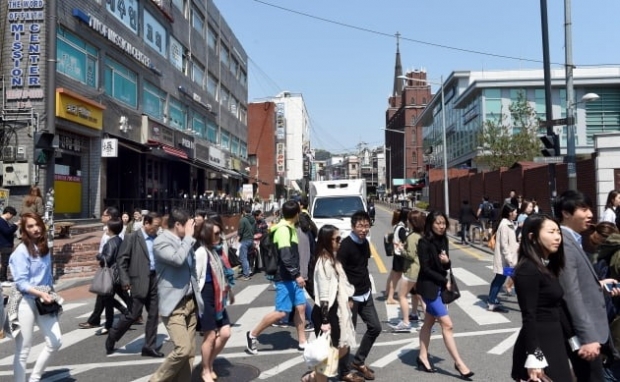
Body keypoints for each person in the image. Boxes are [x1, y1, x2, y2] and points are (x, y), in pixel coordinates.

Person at [555, 190, 615, 381]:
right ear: (566, 213)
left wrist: (598, 285)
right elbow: (570, 293)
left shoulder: (573, 239)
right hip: (584, 334)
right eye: (583, 209)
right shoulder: (564, 242)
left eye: (590, 208)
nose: (590, 214)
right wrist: (587, 337)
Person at [511, 214, 573, 382]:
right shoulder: (528, 269)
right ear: (532, 237)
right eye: (551, 232)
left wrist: (573, 339)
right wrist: (534, 356)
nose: (557, 237)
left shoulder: (546, 265)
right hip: (540, 341)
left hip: (554, 338)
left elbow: (557, 306)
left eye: (558, 232)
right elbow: (528, 315)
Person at [416, 210, 473, 378]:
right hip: (429, 289)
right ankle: (459, 363)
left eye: (443, 223)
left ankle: (423, 356)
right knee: (447, 325)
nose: (441, 226)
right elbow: (425, 269)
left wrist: (447, 262)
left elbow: (445, 266)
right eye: (438, 223)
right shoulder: (423, 243)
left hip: (439, 287)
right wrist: (443, 281)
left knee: (428, 323)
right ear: (430, 224)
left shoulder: (444, 240)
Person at [246, 200, 308, 354]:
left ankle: (303, 341)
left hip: (292, 276)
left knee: (301, 307)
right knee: (281, 312)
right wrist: (297, 275)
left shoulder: (289, 227)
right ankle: (252, 335)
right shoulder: (283, 230)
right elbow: (286, 256)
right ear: (296, 214)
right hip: (285, 276)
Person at [150, 208, 204, 382]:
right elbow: (177, 259)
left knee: (189, 354)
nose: (191, 228)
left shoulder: (185, 241)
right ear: (178, 224)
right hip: (174, 306)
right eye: (188, 224)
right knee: (182, 348)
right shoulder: (161, 242)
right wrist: (189, 237)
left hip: (189, 302)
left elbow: (192, 269)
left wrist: (198, 298)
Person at [303, 224, 360, 382]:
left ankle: (314, 376)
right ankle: (317, 376)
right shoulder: (323, 263)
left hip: (336, 310)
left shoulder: (332, 258)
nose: (340, 241)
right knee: (329, 355)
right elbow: (324, 295)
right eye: (337, 239)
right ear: (328, 241)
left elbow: (338, 286)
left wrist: (346, 299)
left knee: (342, 348)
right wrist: (326, 321)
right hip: (326, 313)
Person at [10, 212, 62, 382]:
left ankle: (35, 378)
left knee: (55, 342)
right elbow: (21, 283)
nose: (35, 229)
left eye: (37, 224)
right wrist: (41, 293)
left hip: (44, 299)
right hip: (25, 300)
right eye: (30, 226)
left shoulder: (44, 247)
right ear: (24, 230)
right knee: (23, 350)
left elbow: (47, 276)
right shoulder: (21, 251)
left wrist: (51, 294)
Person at [105, 212, 163, 357]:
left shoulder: (156, 238)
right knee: (133, 314)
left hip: (154, 279)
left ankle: (149, 346)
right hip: (137, 280)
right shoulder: (132, 238)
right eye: (155, 226)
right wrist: (125, 280)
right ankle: (113, 335)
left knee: (153, 314)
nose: (157, 229)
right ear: (146, 223)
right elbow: (121, 260)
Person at [337, 210, 380, 381]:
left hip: (365, 293)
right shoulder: (346, 246)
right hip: (351, 297)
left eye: (366, 225)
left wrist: (368, 286)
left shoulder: (365, 243)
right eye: (360, 226)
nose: (363, 229)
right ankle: (345, 372)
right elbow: (339, 273)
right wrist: (346, 297)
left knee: (375, 327)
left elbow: (363, 266)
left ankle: (358, 361)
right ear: (353, 226)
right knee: (348, 335)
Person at [196, 218, 235, 382]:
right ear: (207, 235)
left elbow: (223, 274)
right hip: (206, 296)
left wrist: (229, 292)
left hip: (218, 297)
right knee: (210, 336)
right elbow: (195, 279)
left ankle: (209, 362)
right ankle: (205, 370)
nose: (220, 236)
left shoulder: (217, 250)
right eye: (216, 233)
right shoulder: (201, 253)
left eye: (220, 232)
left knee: (225, 333)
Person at [79, 207, 127, 330]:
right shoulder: (110, 231)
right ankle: (96, 319)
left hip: (110, 270)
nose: (102, 216)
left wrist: (100, 257)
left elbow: (109, 255)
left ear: (109, 218)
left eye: (104, 215)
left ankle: (129, 313)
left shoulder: (111, 235)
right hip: (111, 270)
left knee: (107, 296)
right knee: (107, 295)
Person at [389, 210, 426, 331]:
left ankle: (405, 322)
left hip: (411, 270)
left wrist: (401, 248)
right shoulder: (422, 235)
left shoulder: (412, 237)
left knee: (402, 295)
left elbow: (410, 255)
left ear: (412, 222)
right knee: (417, 295)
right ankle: (417, 315)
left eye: (409, 220)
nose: (407, 222)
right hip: (420, 269)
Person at [95, 218, 131, 335]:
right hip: (119, 274)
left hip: (110, 275)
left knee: (108, 301)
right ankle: (129, 313)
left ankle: (109, 324)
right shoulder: (120, 240)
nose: (106, 228)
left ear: (111, 229)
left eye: (107, 226)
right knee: (113, 298)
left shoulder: (110, 243)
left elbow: (108, 258)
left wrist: (99, 256)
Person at [486, 203, 518, 313]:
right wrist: (510, 260)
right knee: (500, 279)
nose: (516, 213)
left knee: (499, 279)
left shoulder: (509, 223)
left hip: (507, 259)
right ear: (509, 213)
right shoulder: (505, 225)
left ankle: (492, 300)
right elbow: (504, 245)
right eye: (515, 211)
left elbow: (512, 243)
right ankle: (491, 303)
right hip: (505, 259)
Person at [385, 208, 409, 305]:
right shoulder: (402, 229)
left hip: (397, 255)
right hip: (400, 255)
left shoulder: (398, 226)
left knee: (394, 276)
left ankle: (389, 294)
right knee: (398, 277)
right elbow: (406, 241)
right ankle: (392, 297)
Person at [237, 205, 256, 280]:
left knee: (243, 258)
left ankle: (246, 274)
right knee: (248, 257)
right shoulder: (253, 219)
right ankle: (249, 270)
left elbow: (240, 232)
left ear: (244, 211)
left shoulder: (243, 220)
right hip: (251, 240)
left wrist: (237, 241)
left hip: (244, 240)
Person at [0, 206, 18, 285]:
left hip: (6, 244)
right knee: (4, 262)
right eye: (12, 215)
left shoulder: (4, 221)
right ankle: (3, 279)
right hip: (4, 244)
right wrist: (15, 225)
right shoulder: (1, 221)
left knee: (5, 262)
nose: (11, 217)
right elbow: (7, 232)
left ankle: (3, 278)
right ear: (8, 213)